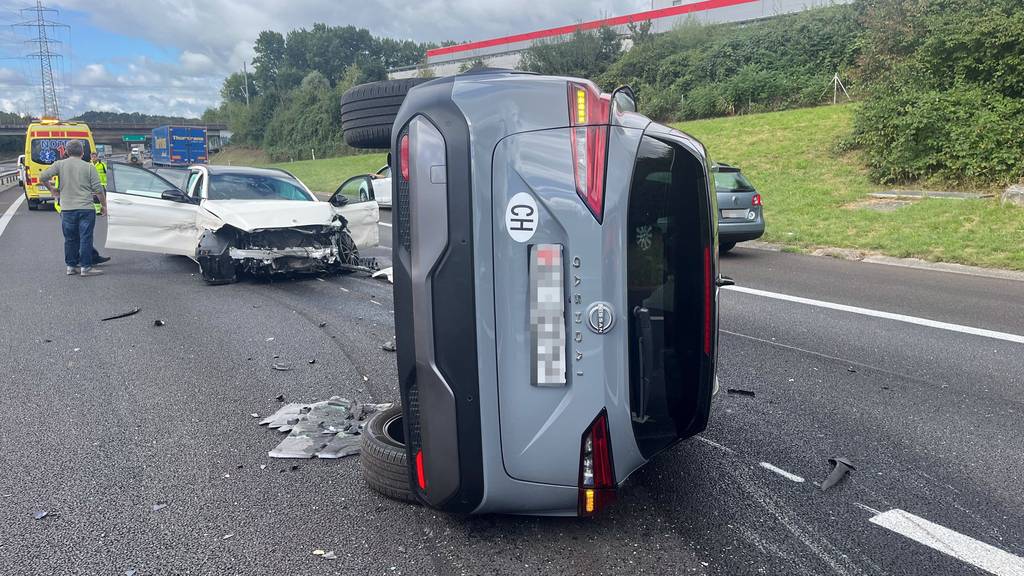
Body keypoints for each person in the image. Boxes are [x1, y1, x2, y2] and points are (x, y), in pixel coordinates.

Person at [41, 140, 108, 277]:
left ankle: (71, 266)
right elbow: (98, 190)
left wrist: (52, 189)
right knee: (85, 237)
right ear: (83, 153)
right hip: (85, 208)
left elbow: (43, 176)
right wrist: (103, 206)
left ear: (66, 152)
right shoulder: (89, 167)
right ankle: (86, 267)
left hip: (67, 209)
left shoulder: (59, 165)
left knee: (70, 238)